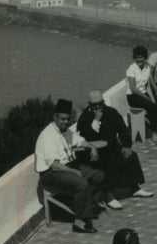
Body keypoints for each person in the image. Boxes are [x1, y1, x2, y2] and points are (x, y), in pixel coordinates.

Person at [35, 98, 105, 233]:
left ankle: (86, 206)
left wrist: (92, 148)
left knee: (99, 176)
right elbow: (53, 164)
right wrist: (73, 172)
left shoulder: (65, 130)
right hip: (51, 174)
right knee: (82, 183)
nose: (65, 122)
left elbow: (79, 141)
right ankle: (79, 221)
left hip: (68, 166)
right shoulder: (48, 135)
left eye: (67, 119)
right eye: (62, 119)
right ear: (55, 117)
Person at [75, 90, 155, 206]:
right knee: (105, 162)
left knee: (131, 156)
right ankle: (109, 196)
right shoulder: (86, 116)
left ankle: (134, 188)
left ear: (103, 102)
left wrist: (127, 146)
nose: (97, 107)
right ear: (90, 104)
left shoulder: (111, 112)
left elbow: (123, 130)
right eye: (94, 105)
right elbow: (86, 136)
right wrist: (96, 119)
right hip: (94, 151)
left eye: (100, 104)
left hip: (112, 147)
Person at [125, 44, 157, 142]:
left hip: (143, 94)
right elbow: (133, 89)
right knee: (152, 107)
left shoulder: (147, 68)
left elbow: (148, 86)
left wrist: (152, 99)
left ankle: (154, 130)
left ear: (145, 57)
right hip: (133, 96)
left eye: (141, 58)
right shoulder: (131, 69)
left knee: (156, 104)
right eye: (137, 58)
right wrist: (147, 98)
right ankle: (154, 134)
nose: (139, 60)